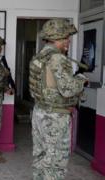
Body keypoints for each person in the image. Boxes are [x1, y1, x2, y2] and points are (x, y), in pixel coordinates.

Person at [29, 19, 88, 180]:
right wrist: (82, 80)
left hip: (39, 112)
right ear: (58, 38)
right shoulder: (57, 58)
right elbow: (67, 89)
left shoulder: (39, 56)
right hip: (55, 117)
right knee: (55, 162)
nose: (68, 41)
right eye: (66, 37)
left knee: (41, 157)